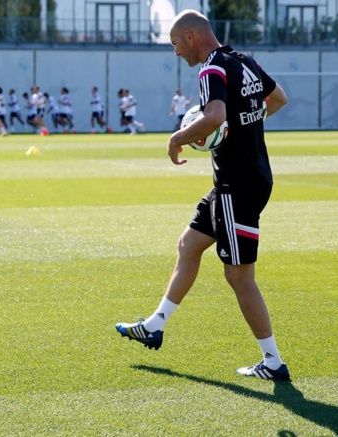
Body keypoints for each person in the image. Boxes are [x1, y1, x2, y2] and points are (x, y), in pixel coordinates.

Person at [115, 9, 291, 381]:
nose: (176, 52)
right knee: (189, 244)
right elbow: (277, 99)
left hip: (237, 184)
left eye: (176, 43)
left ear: (191, 36)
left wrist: (178, 137)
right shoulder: (243, 62)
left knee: (239, 276)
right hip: (240, 181)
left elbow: (213, 116)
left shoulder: (211, 68)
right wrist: (242, 124)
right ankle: (155, 324)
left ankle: (273, 362)